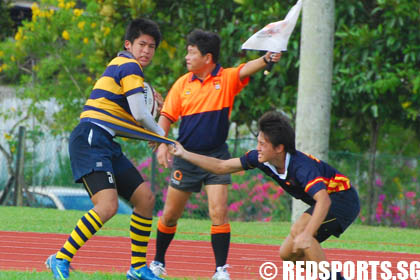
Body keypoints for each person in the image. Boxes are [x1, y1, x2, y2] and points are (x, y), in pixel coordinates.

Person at [150, 29, 282, 280]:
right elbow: (166, 117)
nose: (187, 58)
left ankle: (220, 270)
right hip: (186, 157)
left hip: (217, 158)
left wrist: (266, 59)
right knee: (169, 215)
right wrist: (162, 144)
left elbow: (245, 68)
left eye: (192, 53)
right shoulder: (182, 84)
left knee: (219, 211)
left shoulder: (226, 78)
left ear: (207, 58)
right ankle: (158, 262)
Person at [167, 111, 360, 280]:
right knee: (287, 253)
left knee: (302, 232)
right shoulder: (260, 159)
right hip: (327, 201)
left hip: (342, 199)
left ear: (279, 148)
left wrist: (308, 233)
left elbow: (324, 200)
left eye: (262, 143)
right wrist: (184, 154)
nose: (257, 147)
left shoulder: (301, 167)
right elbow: (221, 166)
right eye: (257, 142)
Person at [45, 18, 170, 280]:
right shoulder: (128, 65)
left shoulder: (126, 70)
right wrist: (162, 136)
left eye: (152, 46)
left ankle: (137, 269)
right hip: (91, 138)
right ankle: (60, 258)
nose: (147, 50)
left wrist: (152, 120)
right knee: (107, 205)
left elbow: (129, 114)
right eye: (142, 44)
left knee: (145, 199)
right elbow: (138, 112)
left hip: (105, 142)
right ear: (128, 44)